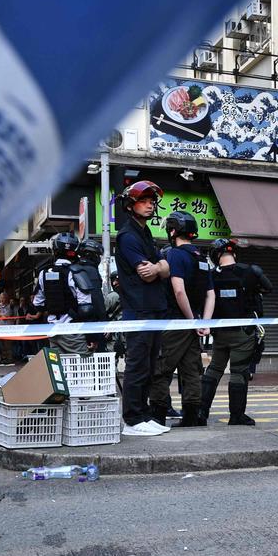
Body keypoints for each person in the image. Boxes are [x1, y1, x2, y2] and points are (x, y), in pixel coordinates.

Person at [114, 180, 172, 437]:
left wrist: (159, 266)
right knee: (137, 366)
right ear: (130, 205)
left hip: (153, 309)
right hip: (138, 311)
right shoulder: (128, 236)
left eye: (152, 201)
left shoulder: (145, 233)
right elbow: (147, 274)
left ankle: (144, 414)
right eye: (144, 201)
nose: (150, 205)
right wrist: (159, 268)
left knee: (149, 366)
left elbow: (164, 268)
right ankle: (133, 419)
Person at [149, 210, 214, 428]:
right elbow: (210, 294)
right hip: (194, 324)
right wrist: (203, 323)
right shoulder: (202, 258)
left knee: (160, 370)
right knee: (192, 372)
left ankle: (157, 418)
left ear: (173, 230)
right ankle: (191, 418)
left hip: (176, 322)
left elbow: (178, 291)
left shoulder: (175, 254)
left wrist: (191, 320)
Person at [199, 239, 265, 426]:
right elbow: (268, 288)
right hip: (243, 333)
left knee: (214, 370)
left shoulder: (211, 275)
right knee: (239, 372)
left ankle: (202, 412)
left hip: (220, 333)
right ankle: (236, 416)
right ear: (233, 253)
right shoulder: (249, 271)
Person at [32, 232, 90, 355]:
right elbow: (86, 307)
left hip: (52, 330)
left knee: (58, 370)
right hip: (73, 330)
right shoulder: (76, 272)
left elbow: (37, 303)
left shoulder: (43, 273)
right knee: (81, 368)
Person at [235, 251, 273, 381]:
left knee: (258, 345)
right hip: (246, 320)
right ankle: (244, 370)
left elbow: (269, 288)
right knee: (247, 346)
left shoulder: (256, 291)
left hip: (255, 320)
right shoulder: (243, 288)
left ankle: (250, 370)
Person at [72, 238, 109, 352]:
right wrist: (104, 323)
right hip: (91, 323)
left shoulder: (74, 268)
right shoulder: (91, 271)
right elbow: (96, 298)